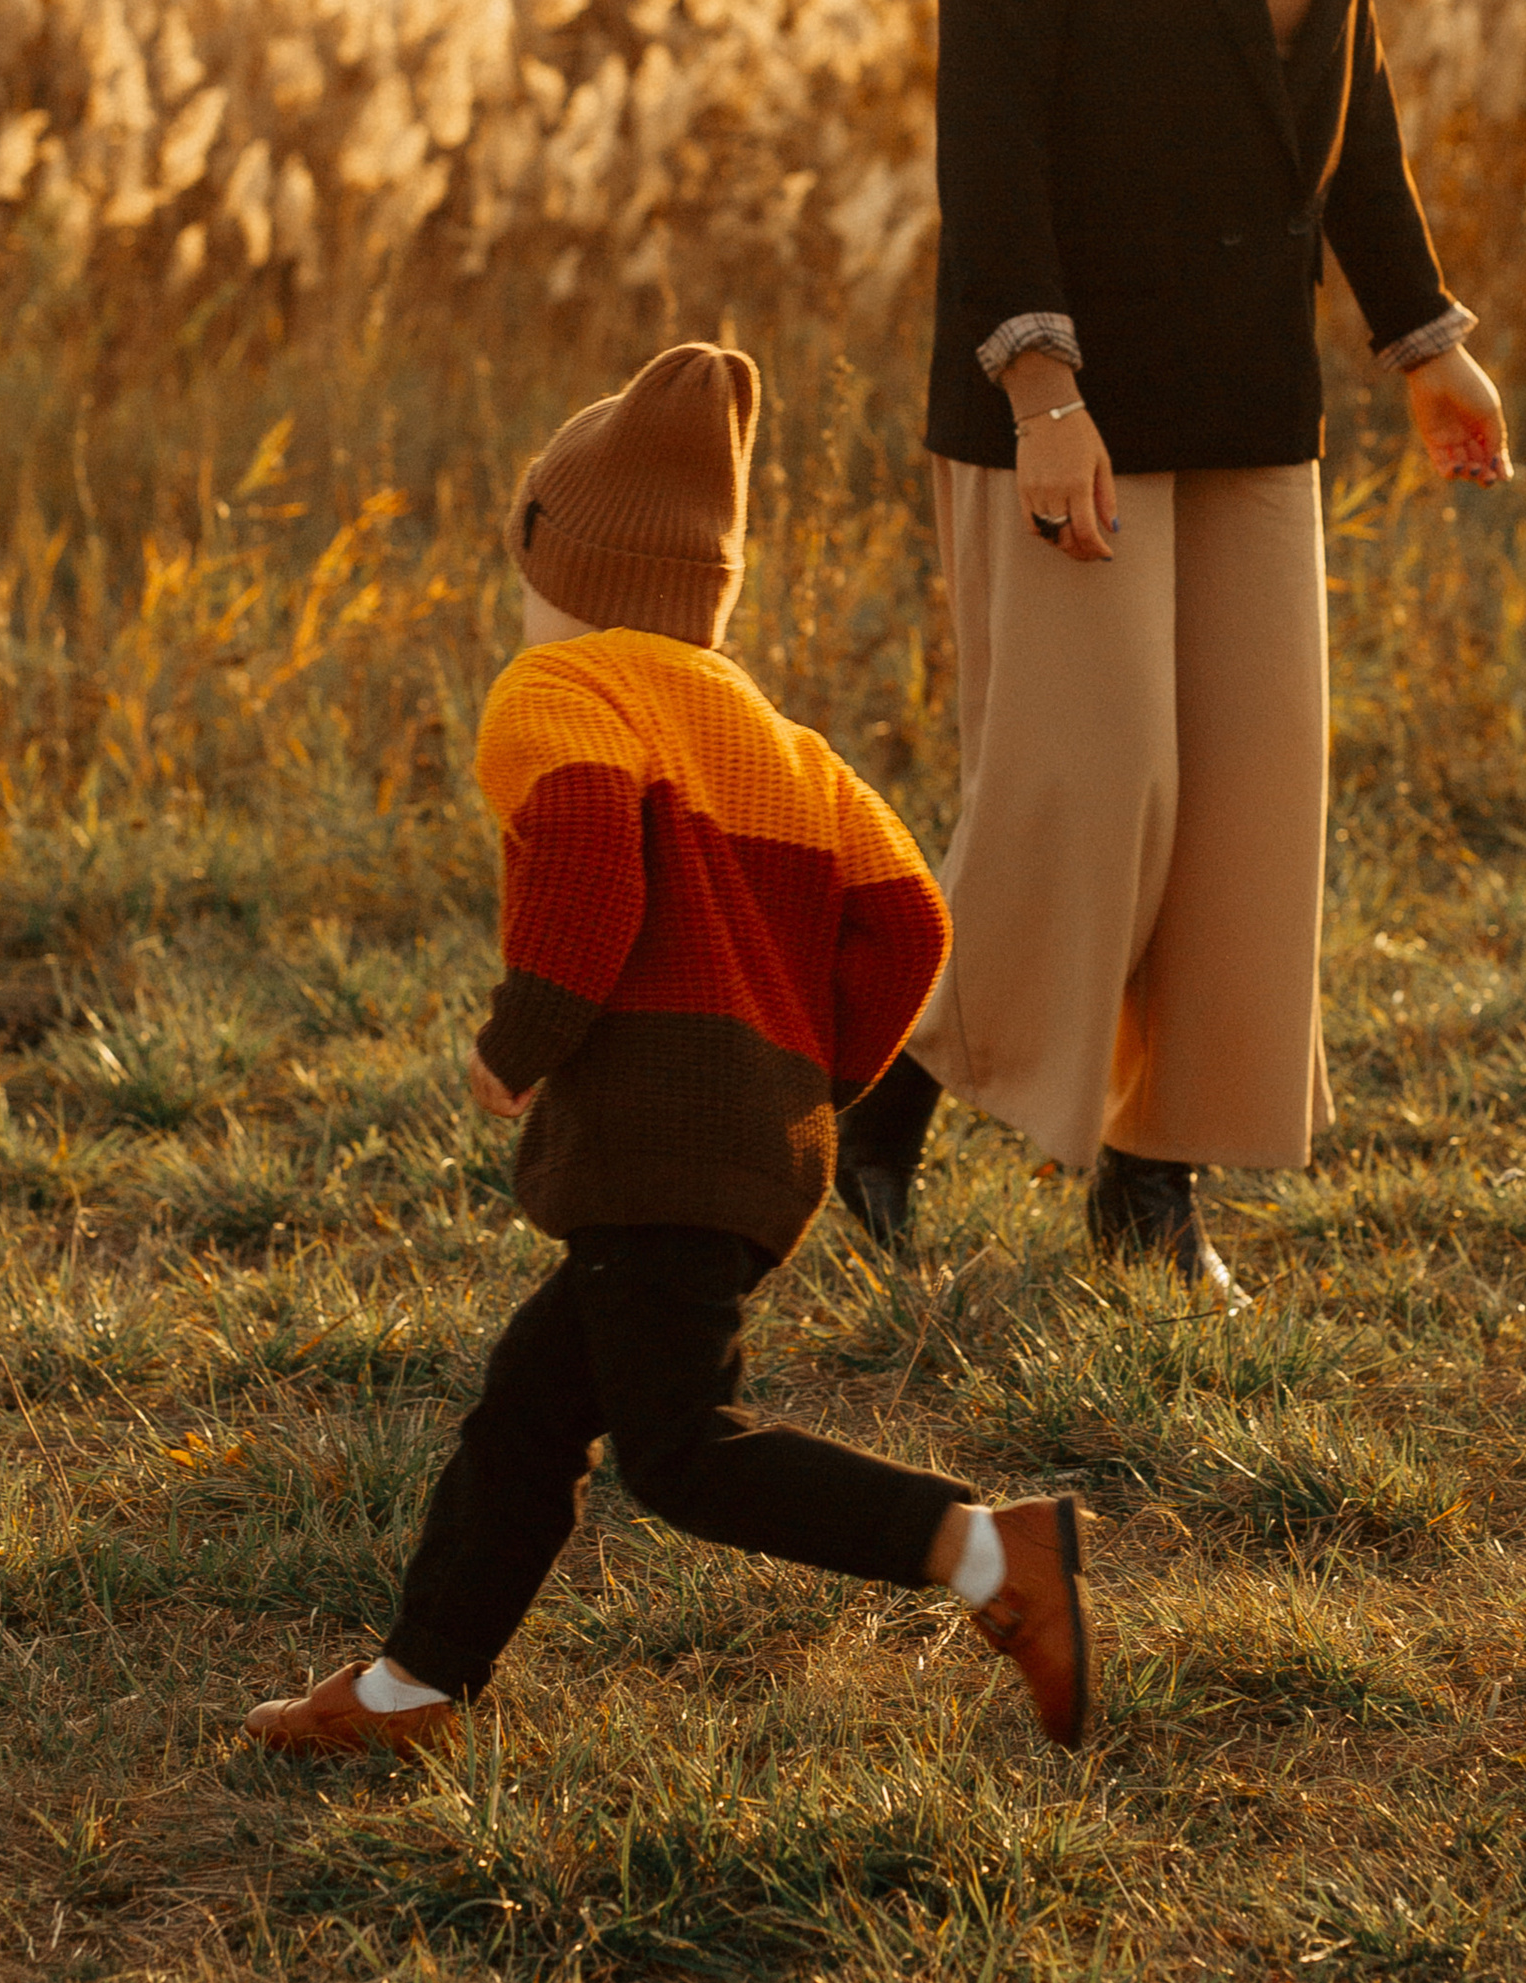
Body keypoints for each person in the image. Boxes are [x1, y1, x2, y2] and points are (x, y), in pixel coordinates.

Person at [835, 0, 1509, 1289]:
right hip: (1066, 391)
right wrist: (1045, 393)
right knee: (1091, 780)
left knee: (1242, 795)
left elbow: (1346, 108)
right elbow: (992, 124)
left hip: (1249, 391)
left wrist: (1424, 338)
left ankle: (1158, 1181)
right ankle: (888, 1088)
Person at [244, 341, 1096, 1765]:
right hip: (754, 1146)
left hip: (647, 1140)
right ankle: (413, 1690)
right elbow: (908, 920)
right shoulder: (777, 739)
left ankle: (987, 1555)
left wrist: (527, 1039)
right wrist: (810, 1079)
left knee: (687, 1454)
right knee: (528, 1413)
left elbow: (586, 866)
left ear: (552, 554)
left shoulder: (556, 691)